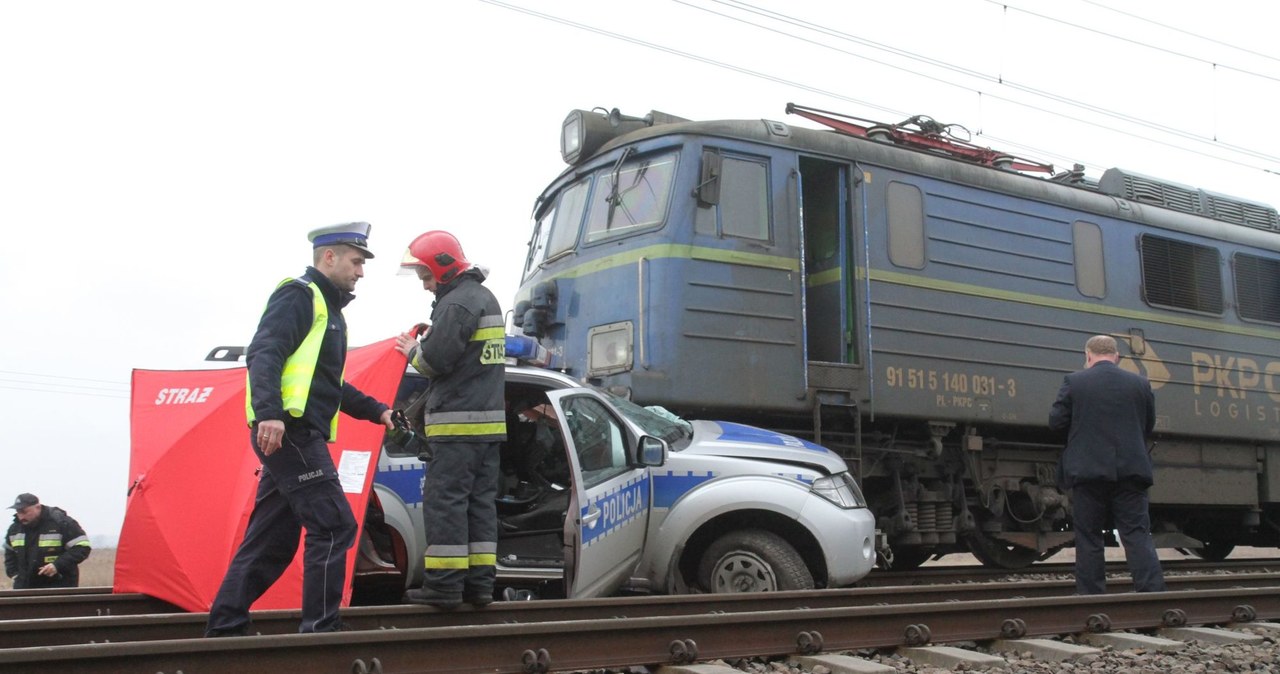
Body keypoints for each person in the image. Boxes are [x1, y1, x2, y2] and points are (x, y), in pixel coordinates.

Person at [205, 222, 395, 636]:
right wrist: (268, 412)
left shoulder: (330, 312)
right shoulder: (300, 295)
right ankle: (321, 632)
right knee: (334, 525)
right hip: (290, 432)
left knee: (272, 540)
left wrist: (377, 410)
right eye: (356, 261)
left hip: (294, 435)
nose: (361, 271)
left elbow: (328, 385)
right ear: (329, 257)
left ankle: (224, 627)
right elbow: (264, 352)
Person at [394, 230, 506, 609]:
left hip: (457, 429)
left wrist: (413, 349)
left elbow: (433, 362)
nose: (425, 286)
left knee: (446, 504)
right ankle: (478, 588)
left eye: (426, 276)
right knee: (479, 506)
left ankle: (443, 588)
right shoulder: (483, 298)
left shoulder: (456, 303)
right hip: (488, 430)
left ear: (443, 268)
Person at [1049, 334, 1166, 595]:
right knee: (1136, 534)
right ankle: (1152, 594)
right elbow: (1147, 425)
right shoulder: (1140, 384)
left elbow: (1056, 423)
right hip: (1131, 471)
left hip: (1088, 473)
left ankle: (1091, 597)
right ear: (1117, 357)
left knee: (1089, 536)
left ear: (1088, 356)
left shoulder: (1074, 382)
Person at [4, 493, 91, 589]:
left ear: (38, 507)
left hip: (59, 587)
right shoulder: (14, 529)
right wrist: (14, 575)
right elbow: (9, 554)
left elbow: (82, 547)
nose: (21, 516)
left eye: (25, 512)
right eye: (18, 512)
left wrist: (57, 566)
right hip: (24, 588)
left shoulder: (61, 522)